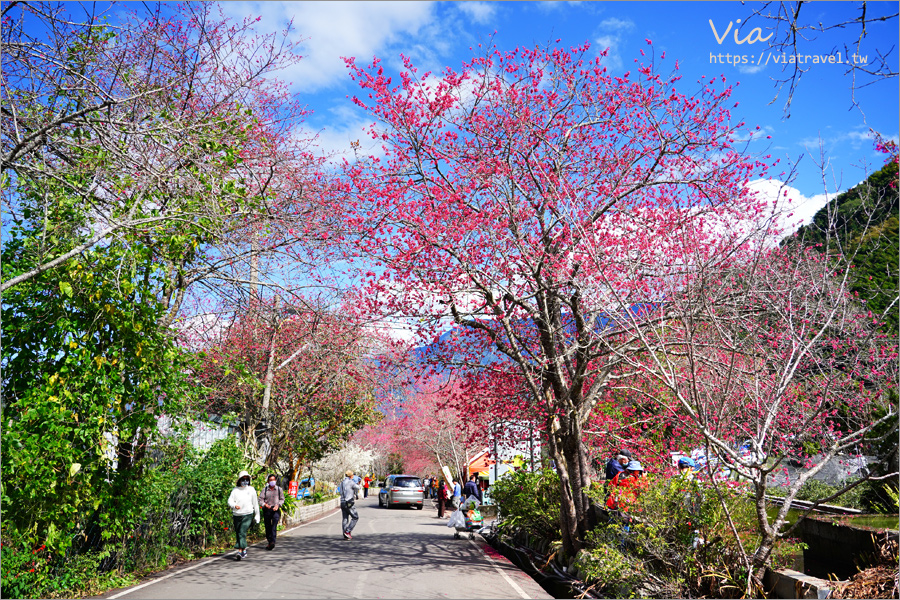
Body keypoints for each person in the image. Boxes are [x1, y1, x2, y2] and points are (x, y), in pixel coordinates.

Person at [227, 470, 260, 560]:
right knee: (238, 533)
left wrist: (257, 515)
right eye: (243, 479)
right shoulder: (235, 490)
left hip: (248, 514)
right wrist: (234, 505)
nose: (245, 481)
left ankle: (240, 551)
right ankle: (244, 550)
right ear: (239, 480)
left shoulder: (251, 489)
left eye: (247, 479)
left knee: (242, 531)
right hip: (237, 514)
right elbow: (230, 501)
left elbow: (255, 503)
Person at [258, 473, 284, 550]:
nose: (272, 481)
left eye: (273, 480)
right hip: (267, 510)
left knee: (274, 526)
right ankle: (270, 541)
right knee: (268, 526)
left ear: (275, 480)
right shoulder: (265, 490)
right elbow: (260, 500)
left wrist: (278, 505)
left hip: (275, 510)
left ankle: (273, 542)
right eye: (270, 480)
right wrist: (265, 505)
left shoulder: (279, 489)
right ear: (268, 481)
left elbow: (282, 499)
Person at [340, 470, 361, 540]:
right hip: (348, 502)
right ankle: (348, 531)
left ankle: (345, 533)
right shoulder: (351, 482)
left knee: (345, 518)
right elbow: (358, 487)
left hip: (342, 502)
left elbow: (340, 492)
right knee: (355, 517)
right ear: (351, 476)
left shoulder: (342, 483)